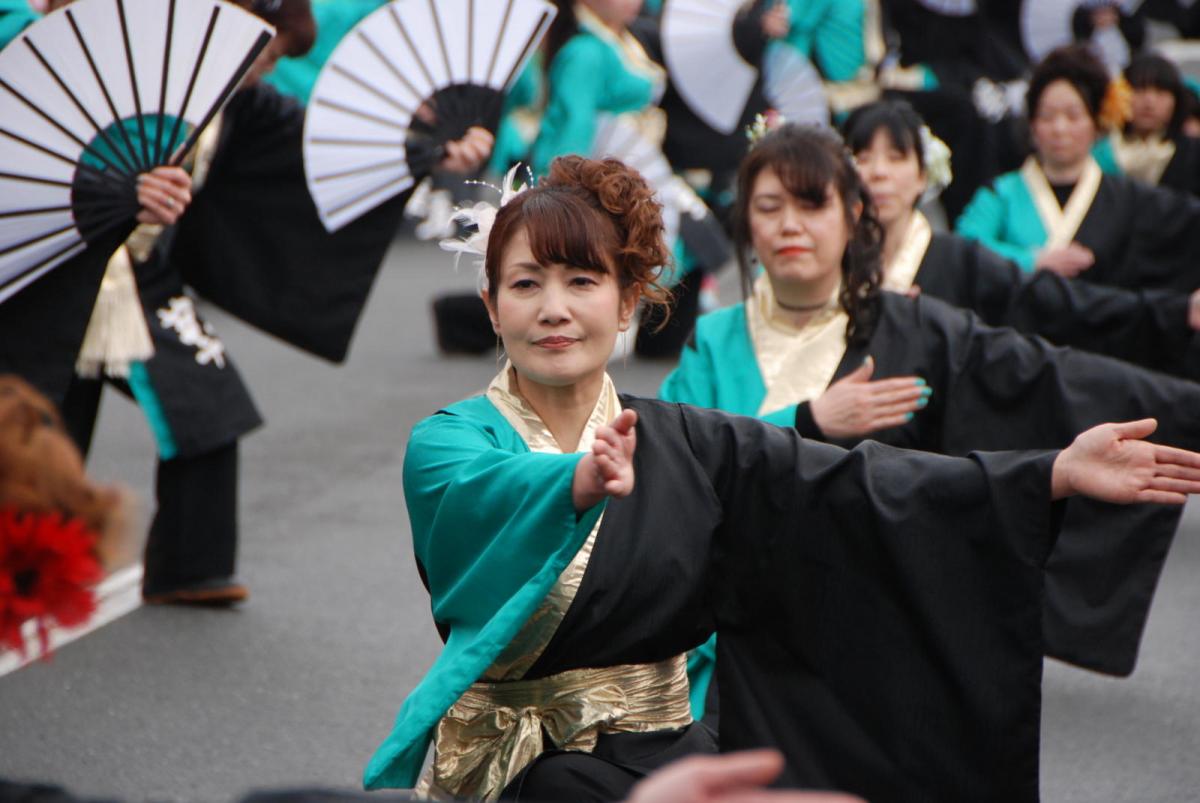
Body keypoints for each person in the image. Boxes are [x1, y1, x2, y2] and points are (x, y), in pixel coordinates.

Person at [365, 154, 1200, 803]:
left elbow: (850, 486)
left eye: (582, 281)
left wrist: (1045, 473)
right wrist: (576, 482)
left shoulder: (682, 439)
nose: (554, 307)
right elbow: (479, 497)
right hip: (525, 771)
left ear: (626, 304)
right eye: (526, 284)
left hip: (673, 747)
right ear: (490, 304)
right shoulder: (447, 443)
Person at [660, 122, 1200, 680]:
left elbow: (1048, 375)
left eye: (812, 204)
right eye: (769, 207)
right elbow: (673, 465)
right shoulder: (714, 339)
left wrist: (1073, 461)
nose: (789, 224)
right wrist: (808, 419)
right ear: (746, 220)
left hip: (856, 641)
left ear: (853, 214)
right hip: (719, 638)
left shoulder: (915, 329)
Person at [0, 0, 492, 606]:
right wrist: (113, 188)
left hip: (138, 273)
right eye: (265, 51)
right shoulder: (114, 59)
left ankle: (183, 567)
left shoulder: (232, 99)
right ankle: (29, 567)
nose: (266, 67)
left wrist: (425, 152)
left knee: (206, 405)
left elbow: (321, 143)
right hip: (52, 262)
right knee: (32, 419)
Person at [842, 98, 1200, 380]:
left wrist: (1175, 311)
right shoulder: (828, 264)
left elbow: (1062, 303)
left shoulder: (959, 260)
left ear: (923, 174)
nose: (879, 172)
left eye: (896, 157)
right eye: (863, 157)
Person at [956, 44, 1200, 293]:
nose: (1059, 129)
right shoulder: (1002, 192)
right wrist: (1031, 260)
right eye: (1047, 116)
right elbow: (965, 248)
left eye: (1073, 116)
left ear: (1097, 123)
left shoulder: (1127, 198)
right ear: (1032, 126)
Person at [1094, 52, 1200, 198]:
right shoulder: (1099, 155)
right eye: (1139, 90)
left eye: (1160, 92)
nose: (1149, 102)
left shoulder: (1193, 155)